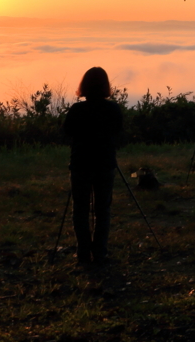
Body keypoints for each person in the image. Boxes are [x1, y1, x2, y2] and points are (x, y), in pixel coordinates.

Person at [63, 66, 123, 264]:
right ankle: (100, 252)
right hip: (105, 164)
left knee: (80, 209)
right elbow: (119, 134)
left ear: (84, 86)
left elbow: (67, 133)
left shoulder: (77, 110)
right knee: (102, 209)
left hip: (80, 163)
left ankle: (83, 253)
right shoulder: (113, 109)